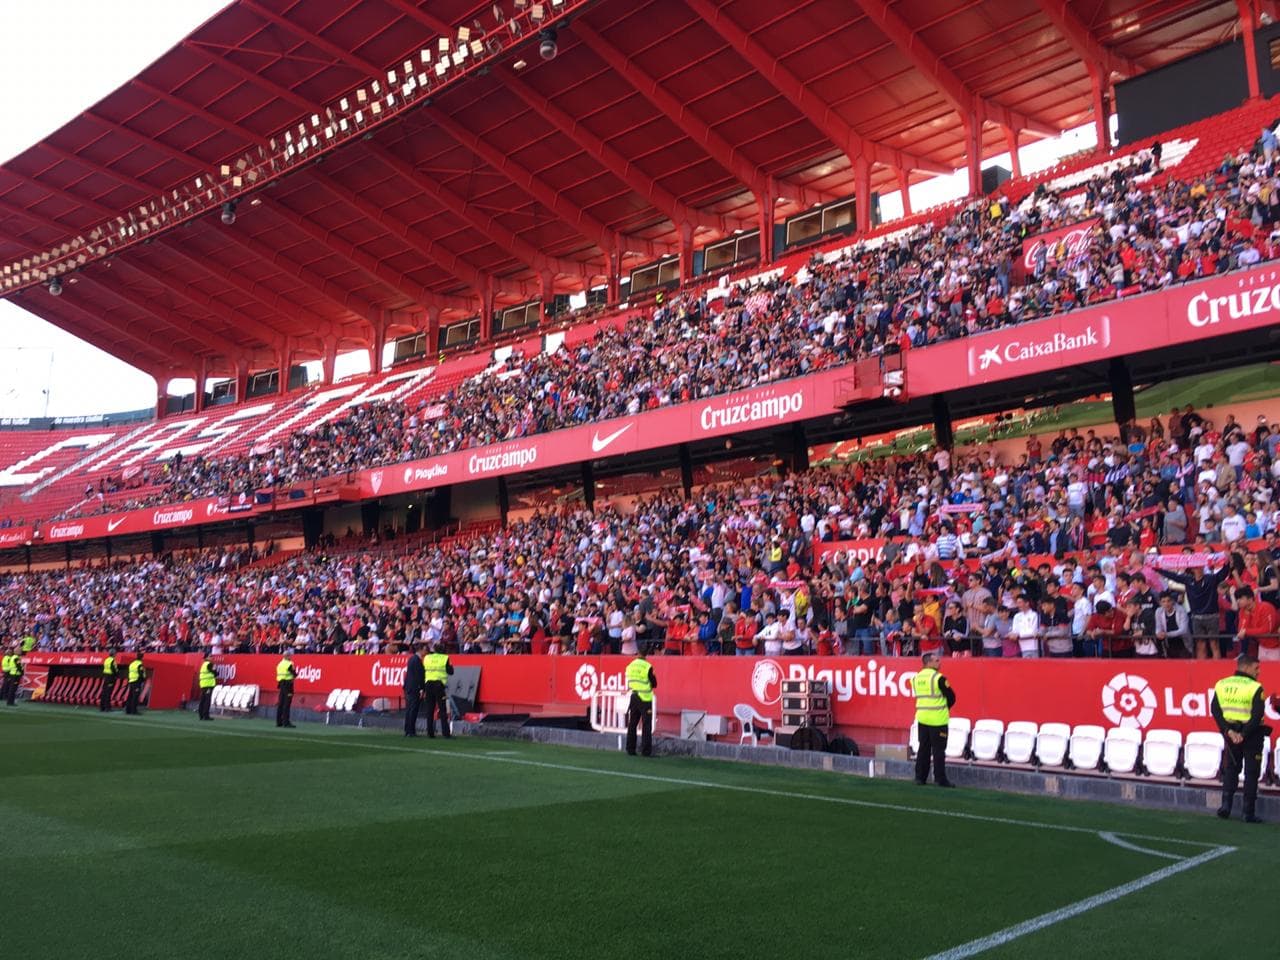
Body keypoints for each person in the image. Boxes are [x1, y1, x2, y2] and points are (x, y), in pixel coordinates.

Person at [1211, 654, 1270, 823]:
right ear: (1245, 667)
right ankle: (1248, 813)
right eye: (1256, 668)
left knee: (1231, 770)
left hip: (1231, 736)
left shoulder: (1222, 684)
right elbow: (1257, 715)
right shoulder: (1255, 687)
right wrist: (1243, 735)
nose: (1258, 672)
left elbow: (1215, 710)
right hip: (1251, 736)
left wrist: (1229, 731)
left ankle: (1225, 807)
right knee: (1251, 773)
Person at [912, 651, 956, 787]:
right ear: (928, 663)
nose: (939, 662)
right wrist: (944, 708)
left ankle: (920, 778)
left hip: (922, 718)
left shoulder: (916, 678)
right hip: (938, 720)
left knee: (923, 749)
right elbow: (952, 697)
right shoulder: (939, 678)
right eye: (936, 661)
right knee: (938, 750)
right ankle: (940, 779)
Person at [624, 647, 657, 757]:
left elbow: (628, 678)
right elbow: (654, 683)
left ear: (637, 652)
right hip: (645, 698)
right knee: (646, 725)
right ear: (646, 654)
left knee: (632, 723)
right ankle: (646, 751)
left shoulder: (631, 665)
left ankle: (630, 749)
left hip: (634, 696)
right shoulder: (648, 667)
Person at [422, 642, 453, 738]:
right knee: (442, 710)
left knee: (429, 710)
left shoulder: (427, 658)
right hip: (439, 685)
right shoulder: (445, 658)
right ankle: (446, 733)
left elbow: (424, 670)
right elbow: (450, 671)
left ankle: (430, 732)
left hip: (428, 684)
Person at [403, 643, 425, 736]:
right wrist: (421, 688)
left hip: (409, 687)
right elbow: (418, 676)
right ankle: (411, 730)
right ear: (420, 650)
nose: (425, 651)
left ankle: (408, 729)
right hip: (414, 688)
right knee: (413, 709)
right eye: (424, 649)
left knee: (409, 709)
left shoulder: (412, 659)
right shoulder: (417, 660)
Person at [275, 649, 297, 728]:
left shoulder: (280, 664)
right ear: (287, 656)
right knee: (287, 704)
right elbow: (294, 674)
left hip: (281, 684)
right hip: (288, 684)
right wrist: (294, 676)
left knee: (281, 703)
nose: (291, 657)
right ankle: (286, 722)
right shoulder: (289, 664)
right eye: (290, 655)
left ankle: (279, 721)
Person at [197, 653, 218, 721]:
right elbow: (216, 673)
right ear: (206, 658)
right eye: (210, 656)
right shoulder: (209, 664)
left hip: (203, 684)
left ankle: (201, 715)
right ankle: (206, 715)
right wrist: (215, 670)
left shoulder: (204, 664)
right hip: (208, 684)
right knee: (207, 700)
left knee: (203, 700)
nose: (212, 657)